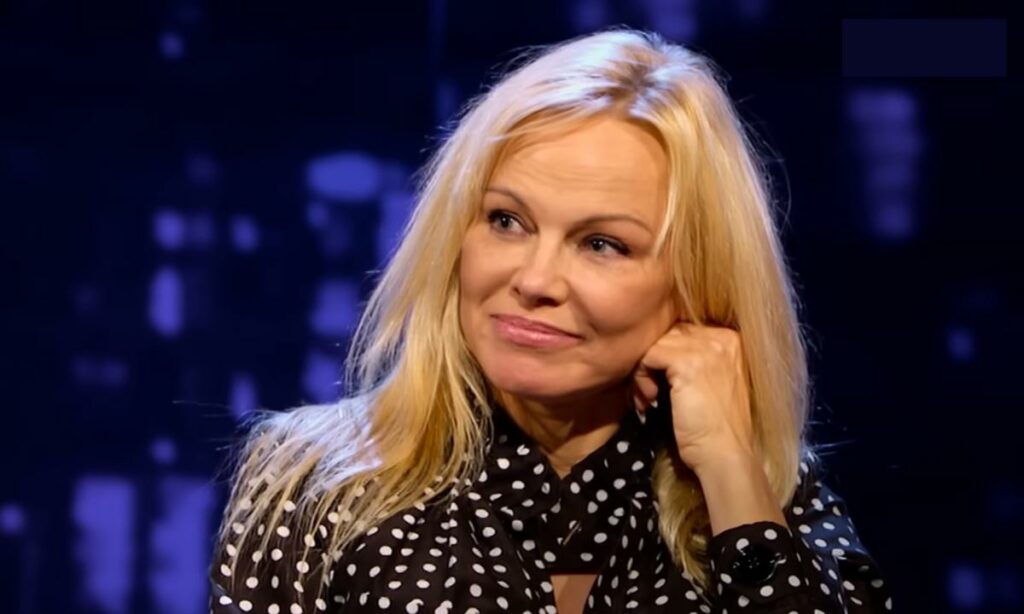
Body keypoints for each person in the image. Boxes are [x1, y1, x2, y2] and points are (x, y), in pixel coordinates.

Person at [208, 28, 892, 613]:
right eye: (507, 221)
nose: (534, 281)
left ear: (696, 283)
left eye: (602, 244)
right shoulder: (312, 482)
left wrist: (728, 469)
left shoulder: (770, 492)